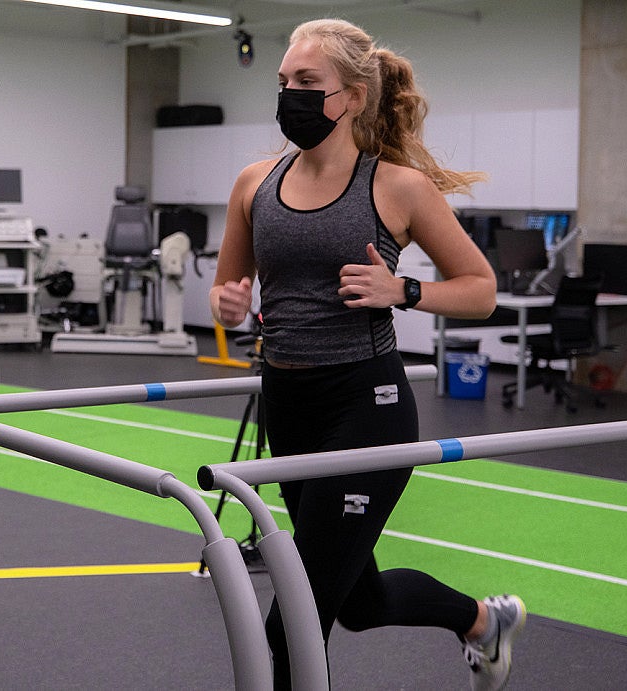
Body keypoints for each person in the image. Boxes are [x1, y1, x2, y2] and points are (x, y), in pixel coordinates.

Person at [208, 18, 525, 691]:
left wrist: (402, 288)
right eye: (284, 81)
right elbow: (227, 288)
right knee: (359, 600)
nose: (289, 93)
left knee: (295, 611)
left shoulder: (398, 187)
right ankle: (479, 621)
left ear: (351, 96)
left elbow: (481, 291)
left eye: (307, 82)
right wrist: (228, 305)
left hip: (366, 406)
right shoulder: (253, 183)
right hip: (287, 406)